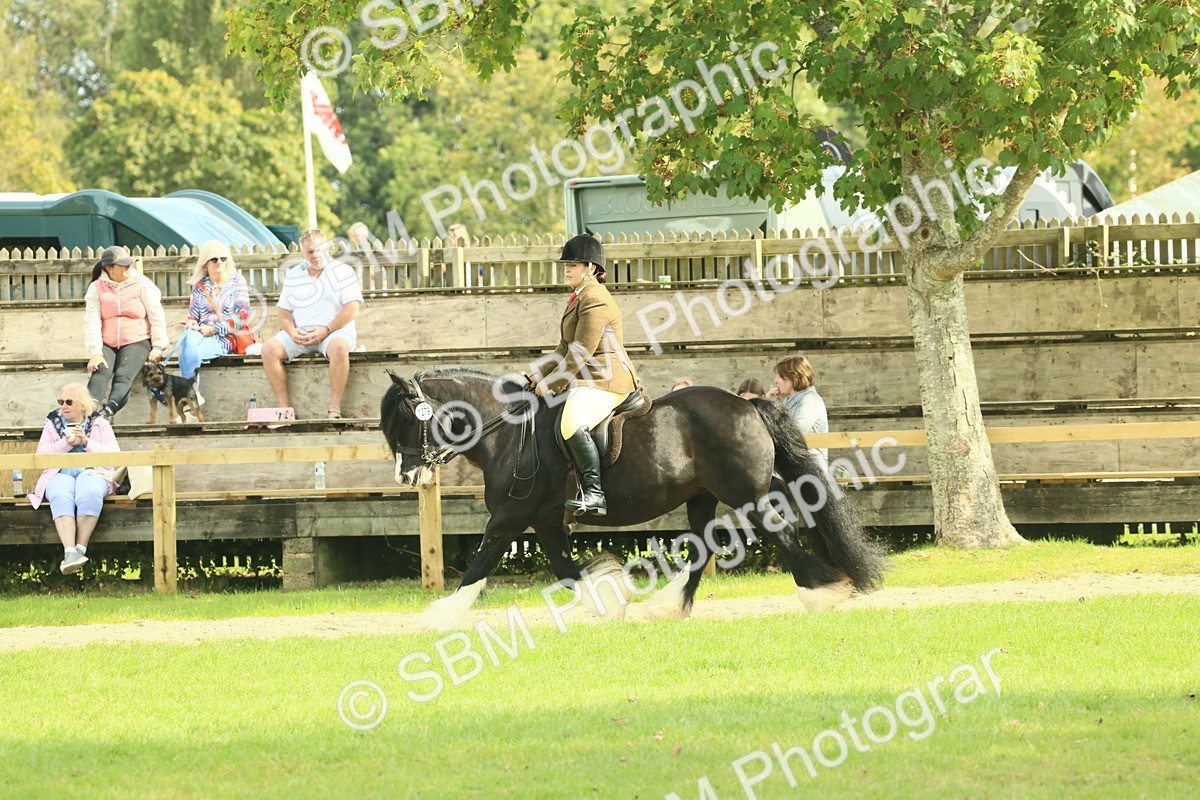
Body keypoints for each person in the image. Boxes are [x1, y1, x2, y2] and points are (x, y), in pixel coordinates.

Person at [528, 234, 639, 516]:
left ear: (591, 268)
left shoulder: (596, 299)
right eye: (566, 264)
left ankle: (594, 494)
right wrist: (536, 375)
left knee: (571, 423)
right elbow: (565, 346)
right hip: (588, 378)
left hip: (608, 379)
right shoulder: (579, 297)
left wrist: (551, 385)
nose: (567, 269)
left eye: (573, 264)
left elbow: (581, 351)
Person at [263, 228, 364, 419]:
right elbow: (283, 311)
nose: (315, 255)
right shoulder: (294, 274)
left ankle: (334, 408)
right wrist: (292, 332)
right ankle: (285, 410)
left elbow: (352, 309)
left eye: (319, 249)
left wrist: (326, 330)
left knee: (340, 348)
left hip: (334, 332)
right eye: (310, 252)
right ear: (303, 253)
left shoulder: (343, 271)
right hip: (300, 333)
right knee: (269, 349)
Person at [27, 383, 121, 574]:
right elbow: (42, 455)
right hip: (60, 471)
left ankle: (79, 549)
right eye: (61, 401)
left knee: (90, 489)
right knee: (60, 492)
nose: (64, 406)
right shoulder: (52, 423)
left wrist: (87, 442)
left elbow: (114, 455)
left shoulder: (99, 423)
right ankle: (70, 551)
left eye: (69, 401)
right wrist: (65, 443)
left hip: (93, 470)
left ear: (83, 405)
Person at [83, 245, 169, 420]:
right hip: (108, 341)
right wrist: (95, 352)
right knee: (100, 372)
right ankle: (87, 414)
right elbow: (92, 321)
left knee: (123, 375)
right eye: (124, 265)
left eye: (130, 264)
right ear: (109, 269)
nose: (129, 267)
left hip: (136, 340)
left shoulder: (142, 283)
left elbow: (156, 313)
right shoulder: (96, 287)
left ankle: (108, 411)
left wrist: (158, 347)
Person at [176, 241, 252, 384]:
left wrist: (214, 329)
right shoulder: (199, 285)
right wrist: (192, 323)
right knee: (189, 339)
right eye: (214, 259)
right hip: (199, 335)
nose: (219, 262)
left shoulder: (237, 281)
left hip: (224, 337)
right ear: (205, 263)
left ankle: (190, 395)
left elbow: (242, 316)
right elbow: (192, 316)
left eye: (223, 259)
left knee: (187, 355)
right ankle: (192, 395)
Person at [771, 355, 829, 468]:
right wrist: (770, 404)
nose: (775, 381)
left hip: (810, 466)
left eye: (781, 377)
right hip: (793, 462)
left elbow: (796, 429)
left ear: (795, 378)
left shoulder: (810, 400)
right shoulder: (788, 400)